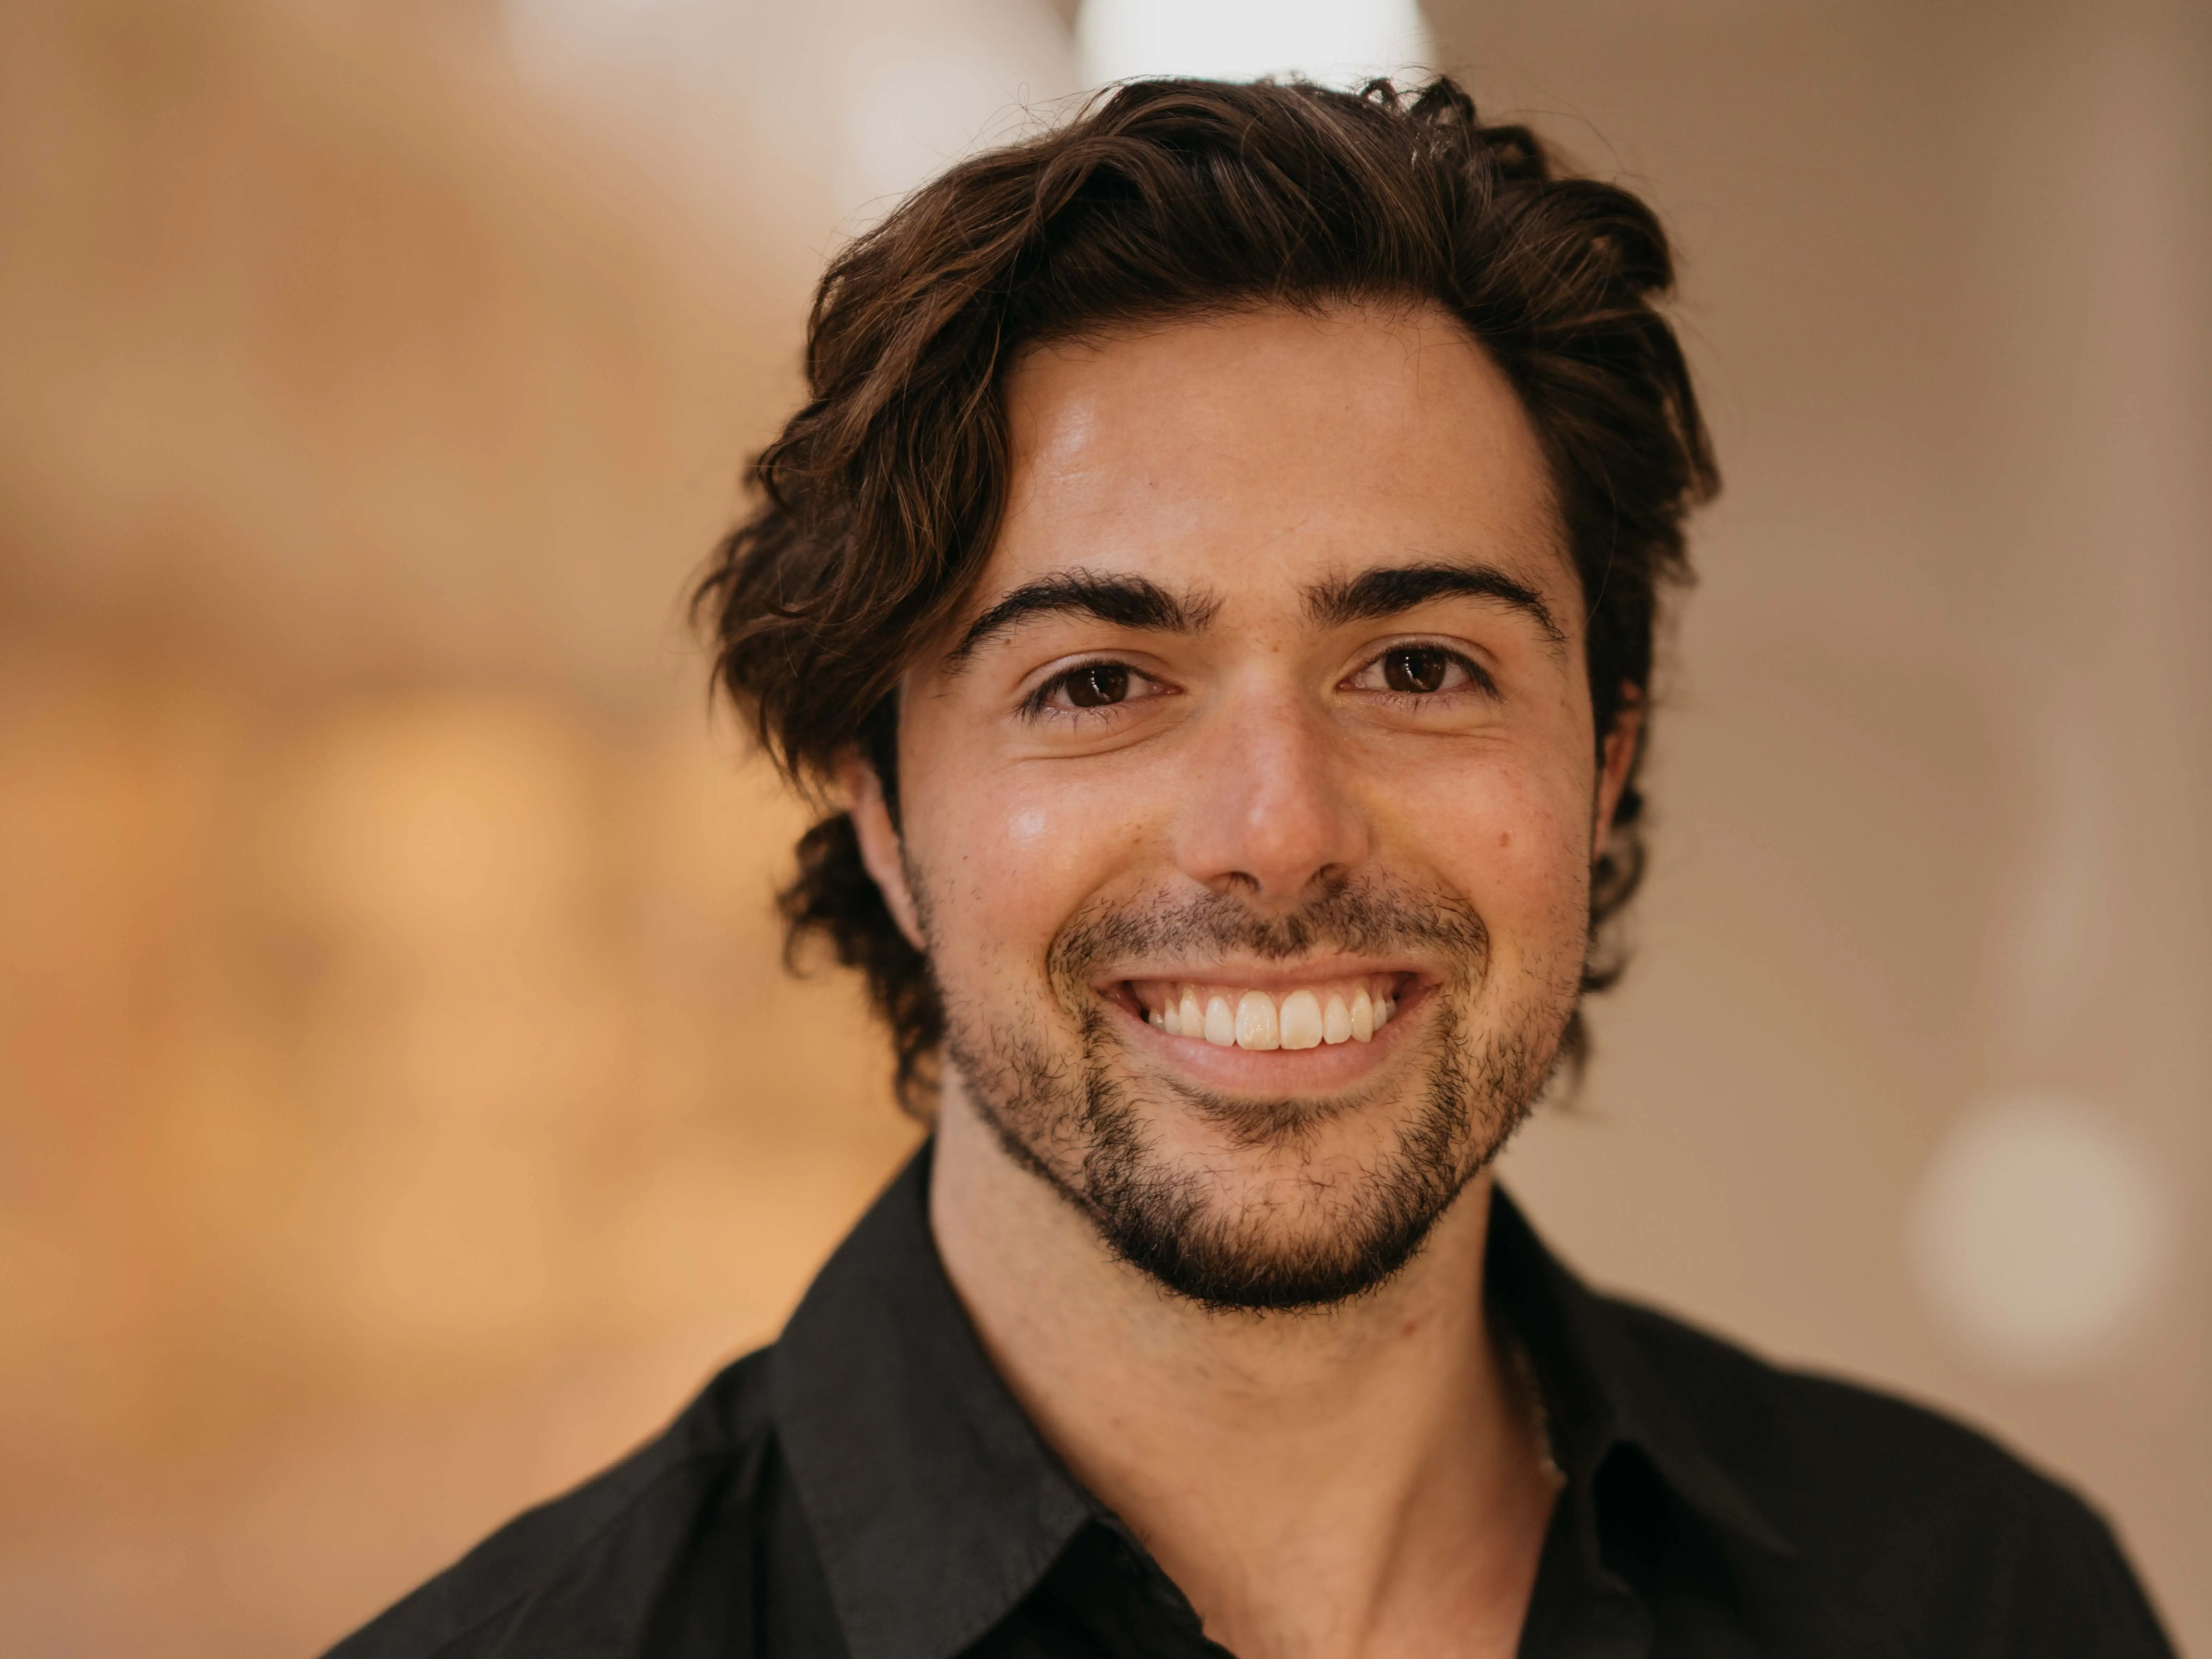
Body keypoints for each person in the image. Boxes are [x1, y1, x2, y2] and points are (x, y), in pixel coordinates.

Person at [328, 77, 2173, 1659]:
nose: (1279, 829)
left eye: (1421, 669)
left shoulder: (1981, 1602)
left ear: (1604, 760)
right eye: (1097, 683)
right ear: (877, 806)